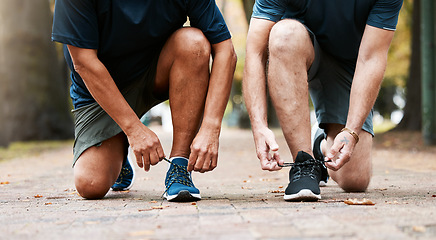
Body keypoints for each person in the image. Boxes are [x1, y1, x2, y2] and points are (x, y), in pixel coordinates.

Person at [51, 0, 237, 202]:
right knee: (90, 184)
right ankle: (120, 147)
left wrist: (211, 128)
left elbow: (226, 50)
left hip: (154, 72)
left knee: (194, 43)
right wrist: (134, 130)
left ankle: (179, 166)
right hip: (100, 88)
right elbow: (84, 63)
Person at [243, 0, 403, 201]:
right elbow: (255, 52)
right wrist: (259, 126)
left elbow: (371, 58)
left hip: (349, 64)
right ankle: (304, 163)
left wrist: (351, 131)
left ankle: (320, 144)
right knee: (284, 34)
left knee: (355, 179)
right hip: (296, 48)